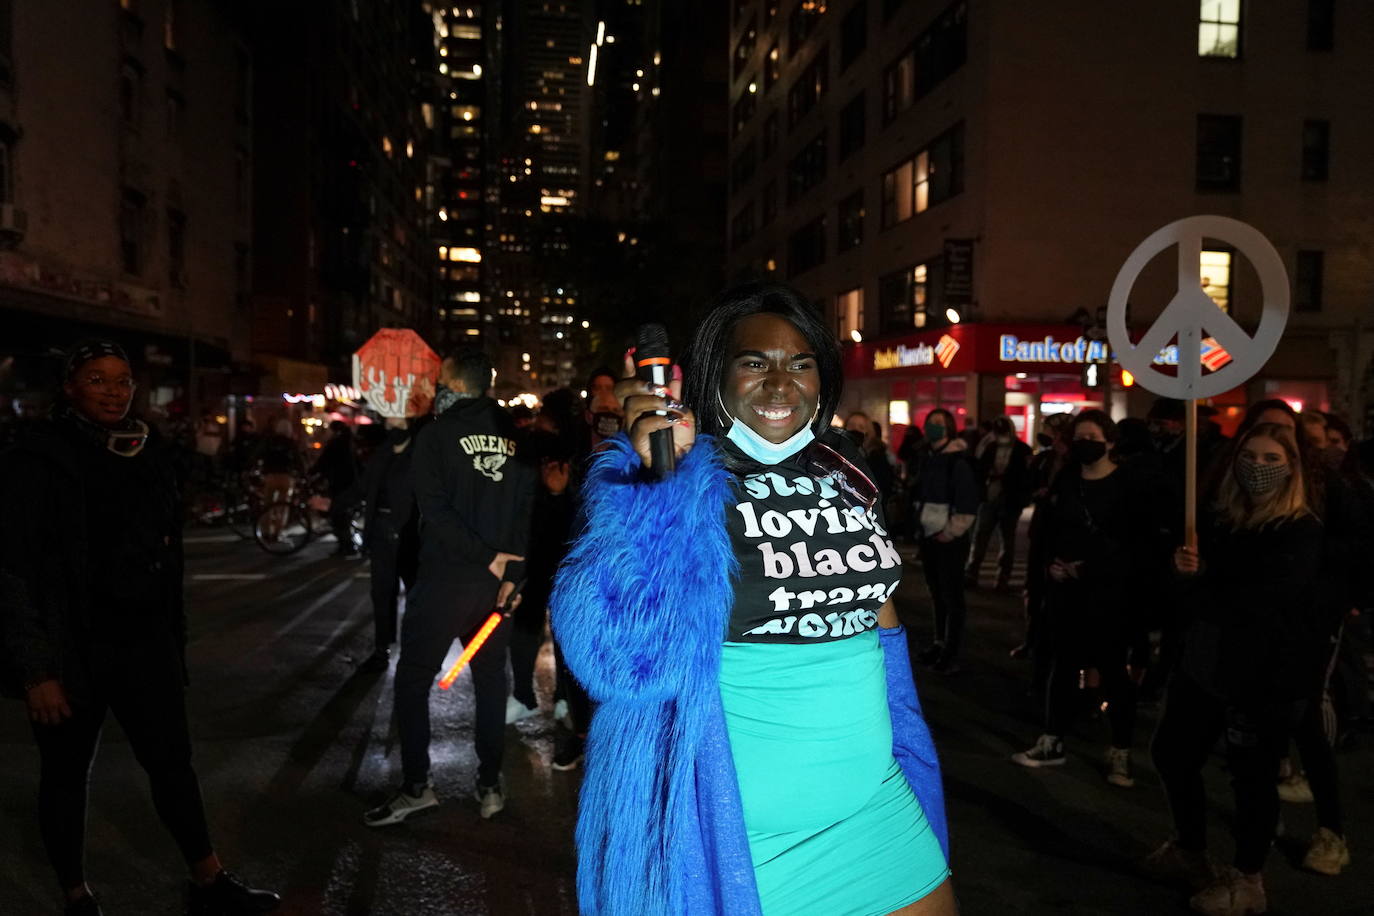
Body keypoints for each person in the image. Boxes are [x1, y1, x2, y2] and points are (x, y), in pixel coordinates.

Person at [551, 283, 954, 916]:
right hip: (733, 840)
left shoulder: (841, 469)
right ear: (715, 375)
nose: (780, 383)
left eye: (801, 363)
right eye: (755, 362)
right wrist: (652, 493)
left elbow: (879, 608)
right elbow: (611, 660)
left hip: (874, 809)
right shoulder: (680, 474)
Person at [0, 340, 279, 916]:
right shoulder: (36, 455)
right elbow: (14, 570)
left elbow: (165, 553)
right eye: (97, 379)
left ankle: (209, 882)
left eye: (123, 380)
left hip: (142, 643)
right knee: (66, 774)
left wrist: (170, 641)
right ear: (69, 387)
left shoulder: (148, 451)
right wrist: (37, 672)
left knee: (173, 764)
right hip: (70, 650)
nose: (113, 391)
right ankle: (76, 895)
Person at [1147, 423, 1325, 915]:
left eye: (1272, 459)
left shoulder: (1299, 528)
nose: (1259, 467)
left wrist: (1200, 582)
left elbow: (1255, 601)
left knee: (1252, 777)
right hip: (1206, 661)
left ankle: (1249, 880)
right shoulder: (1221, 519)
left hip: (1264, 675)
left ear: (1292, 467)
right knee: (1172, 752)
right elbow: (1197, 596)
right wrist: (1183, 574)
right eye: (1251, 456)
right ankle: (1190, 848)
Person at [364, 348, 535, 826]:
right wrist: (512, 574)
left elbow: (435, 515)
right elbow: (526, 514)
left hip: (443, 582)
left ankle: (418, 785)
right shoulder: (519, 439)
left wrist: (485, 557)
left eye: (440, 380)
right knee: (488, 683)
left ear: (456, 385)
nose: (434, 388)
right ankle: (490, 783)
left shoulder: (435, 436)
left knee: (414, 679)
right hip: (496, 588)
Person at [1012, 410, 1165, 787]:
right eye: (1078, 435)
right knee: (1061, 666)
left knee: (1114, 671)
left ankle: (1120, 750)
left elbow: (1137, 543)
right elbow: (1047, 531)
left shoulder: (1128, 484)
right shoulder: (1067, 479)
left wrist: (1089, 568)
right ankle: (1053, 738)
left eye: (1092, 435)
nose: (1084, 442)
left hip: (1111, 595)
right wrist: (1050, 566)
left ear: (1110, 441)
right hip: (1065, 592)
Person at [911, 408, 981, 674]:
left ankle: (950, 652)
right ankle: (940, 643)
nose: (933, 428)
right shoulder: (929, 457)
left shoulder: (957, 462)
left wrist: (951, 531)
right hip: (931, 537)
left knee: (952, 598)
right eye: (930, 423)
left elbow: (967, 503)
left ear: (950, 428)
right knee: (938, 595)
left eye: (939, 424)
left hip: (948, 539)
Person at [357, 416, 426, 672]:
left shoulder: (422, 450)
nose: (389, 419)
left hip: (410, 535)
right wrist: (333, 504)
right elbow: (364, 486)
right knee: (381, 592)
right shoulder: (383, 452)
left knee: (415, 594)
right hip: (381, 533)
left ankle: (414, 650)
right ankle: (381, 647)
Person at [965, 416, 1032, 591]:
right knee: (981, 536)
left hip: (1010, 500)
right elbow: (980, 470)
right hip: (991, 497)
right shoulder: (991, 447)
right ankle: (973, 572)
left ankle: (1003, 577)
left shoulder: (1022, 450)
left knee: (1007, 540)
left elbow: (1025, 477)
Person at [311, 420, 359, 556]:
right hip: (349, 482)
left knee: (338, 515)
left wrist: (312, 472)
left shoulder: (336, 443)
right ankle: (347, 545)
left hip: (339, 483)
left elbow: (323, 462)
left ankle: (347, 546)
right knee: (342, 514)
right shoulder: (348, 442)